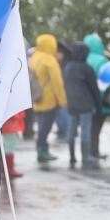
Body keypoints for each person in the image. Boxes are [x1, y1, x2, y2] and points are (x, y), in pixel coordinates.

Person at [29, 34, 68, 163]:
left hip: (36, 96)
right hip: (49, 99)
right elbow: (58, 82)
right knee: (45, 127)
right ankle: (42, 151)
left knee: (41, 125)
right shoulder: (50, 60)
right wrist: (62, 101)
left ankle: (41, 150)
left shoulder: (33, 57)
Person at [63, 43, 101, 168]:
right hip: (85, 104)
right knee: (85, 131)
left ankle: (72, 156)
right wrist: (99, 105)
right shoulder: (87, 68)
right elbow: (94, 89)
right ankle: (85, 157)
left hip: (71, 104)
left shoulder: (68, 67)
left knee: (71, 131)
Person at [83, 33, 109, 159]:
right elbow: (107, 82)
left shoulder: (84, 58)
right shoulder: (102, 60)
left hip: (85, 101)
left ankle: (88, 152)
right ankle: (95, 151)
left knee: (88, 128)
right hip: (100, 101)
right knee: (96, 128)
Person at [2, 111, 26, 178]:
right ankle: (9, 168)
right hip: (10, 125)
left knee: (8, 146)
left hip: (10, 125)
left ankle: (6, 168)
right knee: (9, 147)